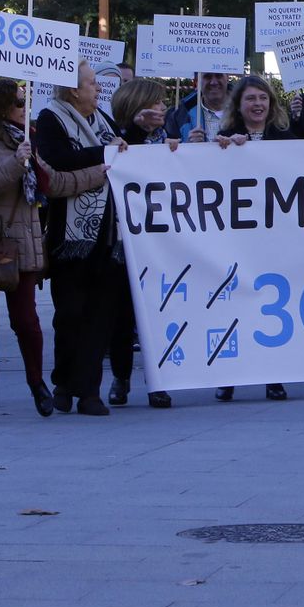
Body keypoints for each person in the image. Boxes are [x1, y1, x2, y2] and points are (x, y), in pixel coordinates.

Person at [0, 79, 107, 425]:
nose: (26, 109)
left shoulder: (25, 142)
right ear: (1, 109)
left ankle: (37, 383)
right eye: (20, 103)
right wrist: (14, 162)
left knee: (27, 322)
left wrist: (96, 175)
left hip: (21, 246)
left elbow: (52, 183)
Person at [33, 61, 129, 416]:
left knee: (101, 315)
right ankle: (64, 382)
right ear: (73, 90)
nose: (98, 89)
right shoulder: (51, 117)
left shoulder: (103, 120)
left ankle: (89, 391)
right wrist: (105, 155)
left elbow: (123, 154)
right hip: (69, 236)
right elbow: (57, 159)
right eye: (92, 84)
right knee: (70, 313)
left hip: (108, 236)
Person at [210, 75, 296, 402]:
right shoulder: (223, 138)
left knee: (273, 307)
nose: (258, 104)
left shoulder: (287, 137)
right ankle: (230, 376)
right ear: (239, 105)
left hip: (276, 237)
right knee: (236, 305)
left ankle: (273, 376)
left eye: (263, 98)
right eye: (251, 99)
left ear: (271, 104)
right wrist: (218, 149)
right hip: (239, 238)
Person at [110, 78, 179, 409]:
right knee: (122, 314)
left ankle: (158, 381)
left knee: (156, 313)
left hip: (159, 239)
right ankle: (120, 377)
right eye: (157, 102)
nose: (164, 108)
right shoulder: (116, 137)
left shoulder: (165, 139)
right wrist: (135, 133)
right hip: (124, 240)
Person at [171, 72, 230, 141]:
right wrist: (188, 146)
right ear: (197, 82)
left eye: (219, 76)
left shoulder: (242, 112)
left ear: (227, 78)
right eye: (207, 77)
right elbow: (166, 148)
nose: (214, 82)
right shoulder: (179, 116)